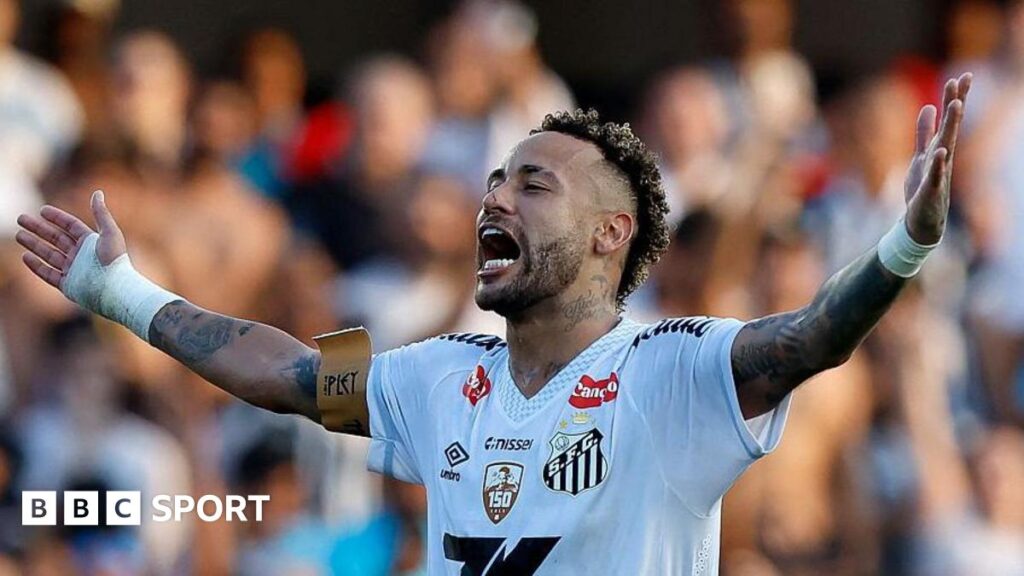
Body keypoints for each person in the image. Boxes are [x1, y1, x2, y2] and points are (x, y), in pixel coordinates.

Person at [13, 73, 970, 573]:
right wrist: (124, 294)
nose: (495, 198)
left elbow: (809, 338)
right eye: (496, 179)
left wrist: (905, 244)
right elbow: (289, 375)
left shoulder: (672, 370)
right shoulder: (434, 377)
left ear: (610, 233)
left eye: (533, 184)